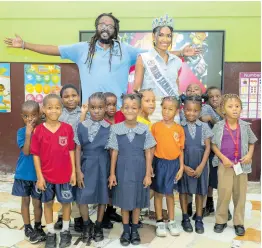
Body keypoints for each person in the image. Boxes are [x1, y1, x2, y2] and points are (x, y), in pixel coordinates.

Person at [4, 13, 199, 109]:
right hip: (90, 112)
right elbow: (54, 49)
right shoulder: (81, 49)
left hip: (119, 112)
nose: (106, 27)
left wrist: (180, 52)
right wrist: (24, 45)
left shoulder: (127, 50)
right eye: (102, 24)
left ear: (115, 30)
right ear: (96, 27)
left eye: (110, 25)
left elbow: (155, 53)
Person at [108, 93, 156, 246]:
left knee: (136, 201)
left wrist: (148, 173)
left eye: (134, 108)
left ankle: (134, 229)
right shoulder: (115, 129)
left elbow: (149, 152)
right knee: (124, 201)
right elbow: (113, 152)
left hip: (139, 169)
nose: (130, 110)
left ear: (139, 109)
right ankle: (126, 229)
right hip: (122, 169)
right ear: (121, 109)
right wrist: (112, 174)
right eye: (126, 107)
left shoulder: (144, 128)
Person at [31, 94, 76, 248]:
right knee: (48, 203)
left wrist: (73, 172)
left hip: (64, 176)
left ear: (61, 110)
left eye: (57, 107)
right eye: (49, 108)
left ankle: (65, 231)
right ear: (43, 109)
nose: (53, 111)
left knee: (66, 204)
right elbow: (35, 155)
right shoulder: (38, 131)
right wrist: (39, 177)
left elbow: (71, 151)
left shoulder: (67, 129)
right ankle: (50, 232)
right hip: (46, 177)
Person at [212, 94, 257, 236]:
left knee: (240, 195)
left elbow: (252, 142)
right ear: (223, 110)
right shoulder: (219, 126)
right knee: (223, 194)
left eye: (237, 106)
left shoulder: (245, 126)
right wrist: (222, 158)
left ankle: (239, 223)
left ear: (241, 109)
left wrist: (249, 155)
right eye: (230, 106)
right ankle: (221, 220)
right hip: (224, 165)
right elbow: (213, 145)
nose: (234, 109)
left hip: (241, 167)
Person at [75, 92, 111, 243]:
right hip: (86, 165)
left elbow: (113, 151)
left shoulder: (110, 128)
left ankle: (98, 225)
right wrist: (77, 170)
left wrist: (112, 173)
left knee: (103, 196)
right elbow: (77, 148)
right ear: (88, 108)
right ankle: (86, 224)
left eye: (100, 107)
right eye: (93, 107)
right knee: (82, 196)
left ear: (105, 108)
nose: (96, 110)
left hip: (103, 164)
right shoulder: (81, 126)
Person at [133, 14, 181, 124]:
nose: (165, 39)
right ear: (154, 37)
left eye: (169, 36)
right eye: (161, 35)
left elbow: (176, 87)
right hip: (151, 109)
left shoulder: (177, 61)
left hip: (171, 108)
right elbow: (136, 88)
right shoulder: (143, 58)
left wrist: (177, 108)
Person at [177, 95, 213, 234]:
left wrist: (202, 166)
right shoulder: (179, 126)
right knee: (183, 191)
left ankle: (198, 218)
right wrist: (183, 167)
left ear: (200, 111)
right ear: (183, 109)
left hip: (200, 164)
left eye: (195, 111)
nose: (191, 113)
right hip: (184, 163)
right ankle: (185, 218)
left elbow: (208, 148)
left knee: (200, 191)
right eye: (188, 110)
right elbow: (177, 148)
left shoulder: (204, 126)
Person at [11, 100, 46, 244]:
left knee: (37, 203)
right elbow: (26, 152)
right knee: (25, 201)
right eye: (26, 116)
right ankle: (27, 228)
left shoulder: (43, 130)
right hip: (23, 174)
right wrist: (28, 134)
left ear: (38, 115)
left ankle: (38, 226)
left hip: (38, 175)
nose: (30, 119)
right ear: (22, 116)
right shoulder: (21, 132)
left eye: (33, 115)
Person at [151, 96, 184, 237]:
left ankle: (171, 221)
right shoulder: (155, 127)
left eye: (170, 109)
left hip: (174, 164)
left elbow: (181, 149)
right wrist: (150, 166)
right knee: (158, 194)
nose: (166, 112)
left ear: (176, 111)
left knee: (170, 194)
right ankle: (159, 222)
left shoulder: (179, 129)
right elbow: (151, 148)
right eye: (164, 108)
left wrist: (181, 167)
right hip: (159, 163)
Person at [54, 84, 83, 232]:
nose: (71, 99)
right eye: (66, 96)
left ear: (78, 97)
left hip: (79, 157)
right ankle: (61, 215)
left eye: (74, 96)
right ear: (61, 99)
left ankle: (78, 217)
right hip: (61, 158)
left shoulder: (84, 113)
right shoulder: (58, 114)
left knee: (77, 187)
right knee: (63, 187)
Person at [204, 86, 224, 216]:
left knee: (222, 179)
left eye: (217, 96)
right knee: (209, 178)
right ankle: (208, 204)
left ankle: (224, 207)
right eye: (211, 97)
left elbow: (224, 125)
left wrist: (212, 119)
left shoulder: (226, 109)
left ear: (221, 97)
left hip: (224, 151)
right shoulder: (206, 108)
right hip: (210, 149)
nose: (214, 98)